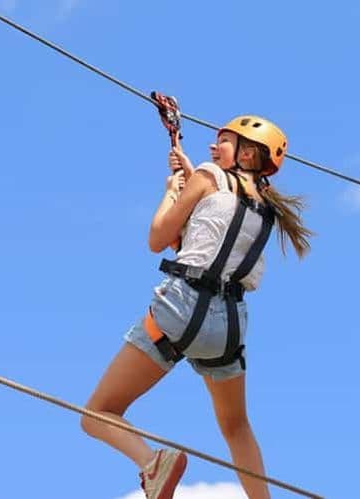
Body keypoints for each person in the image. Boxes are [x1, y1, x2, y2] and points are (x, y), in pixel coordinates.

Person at [81, 115, 312, 498]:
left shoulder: (207, 177)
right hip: (229, 327)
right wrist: (194, 180)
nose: (211, 147)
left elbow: (159, 238)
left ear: (247, 152)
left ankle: (152, 463)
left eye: (222, 141)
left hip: (181, 309)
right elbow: (215, 231)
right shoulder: (267, 209)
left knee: (97, 413)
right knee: (237, 427)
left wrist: (172, 190)